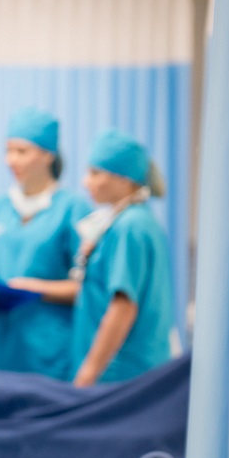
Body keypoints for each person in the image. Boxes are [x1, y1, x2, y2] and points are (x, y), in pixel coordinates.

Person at [0, 107, 91, 380]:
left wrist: (37, 288)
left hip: (49, 354)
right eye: (8, 150)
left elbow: (89, 287)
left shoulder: (73, 208)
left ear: (48, 155)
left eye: (21, 151)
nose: (11, 160)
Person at [70, 129, 174, 386]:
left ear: (125, 178)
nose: (86, 182)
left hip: (120, 373)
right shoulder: (133, 222)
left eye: (95, 173)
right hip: (127, 370)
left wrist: (87, 374)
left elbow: (123, 307)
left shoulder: (130, 227)